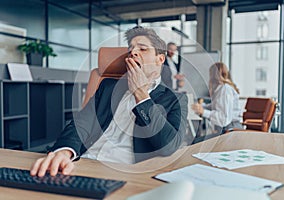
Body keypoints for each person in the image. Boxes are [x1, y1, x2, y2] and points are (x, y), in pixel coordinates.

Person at [30, 26, 188, 177]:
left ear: (160, 59)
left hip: (126, 172)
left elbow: (169, 146)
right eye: (131, 49)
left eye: (142, 49)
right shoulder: (108, 87)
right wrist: (65, 152)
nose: (133, 52)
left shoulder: (176, 99)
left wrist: (141, 94)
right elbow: (81, 124)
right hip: (82, 163)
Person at [192, 62, 243, 134]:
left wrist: (204, 112)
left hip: (230, 129)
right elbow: (215, 106)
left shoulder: (225, 90)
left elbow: (224, 119)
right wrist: (202, 107)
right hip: (227, 128)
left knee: (198, 142)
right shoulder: (221, 89)